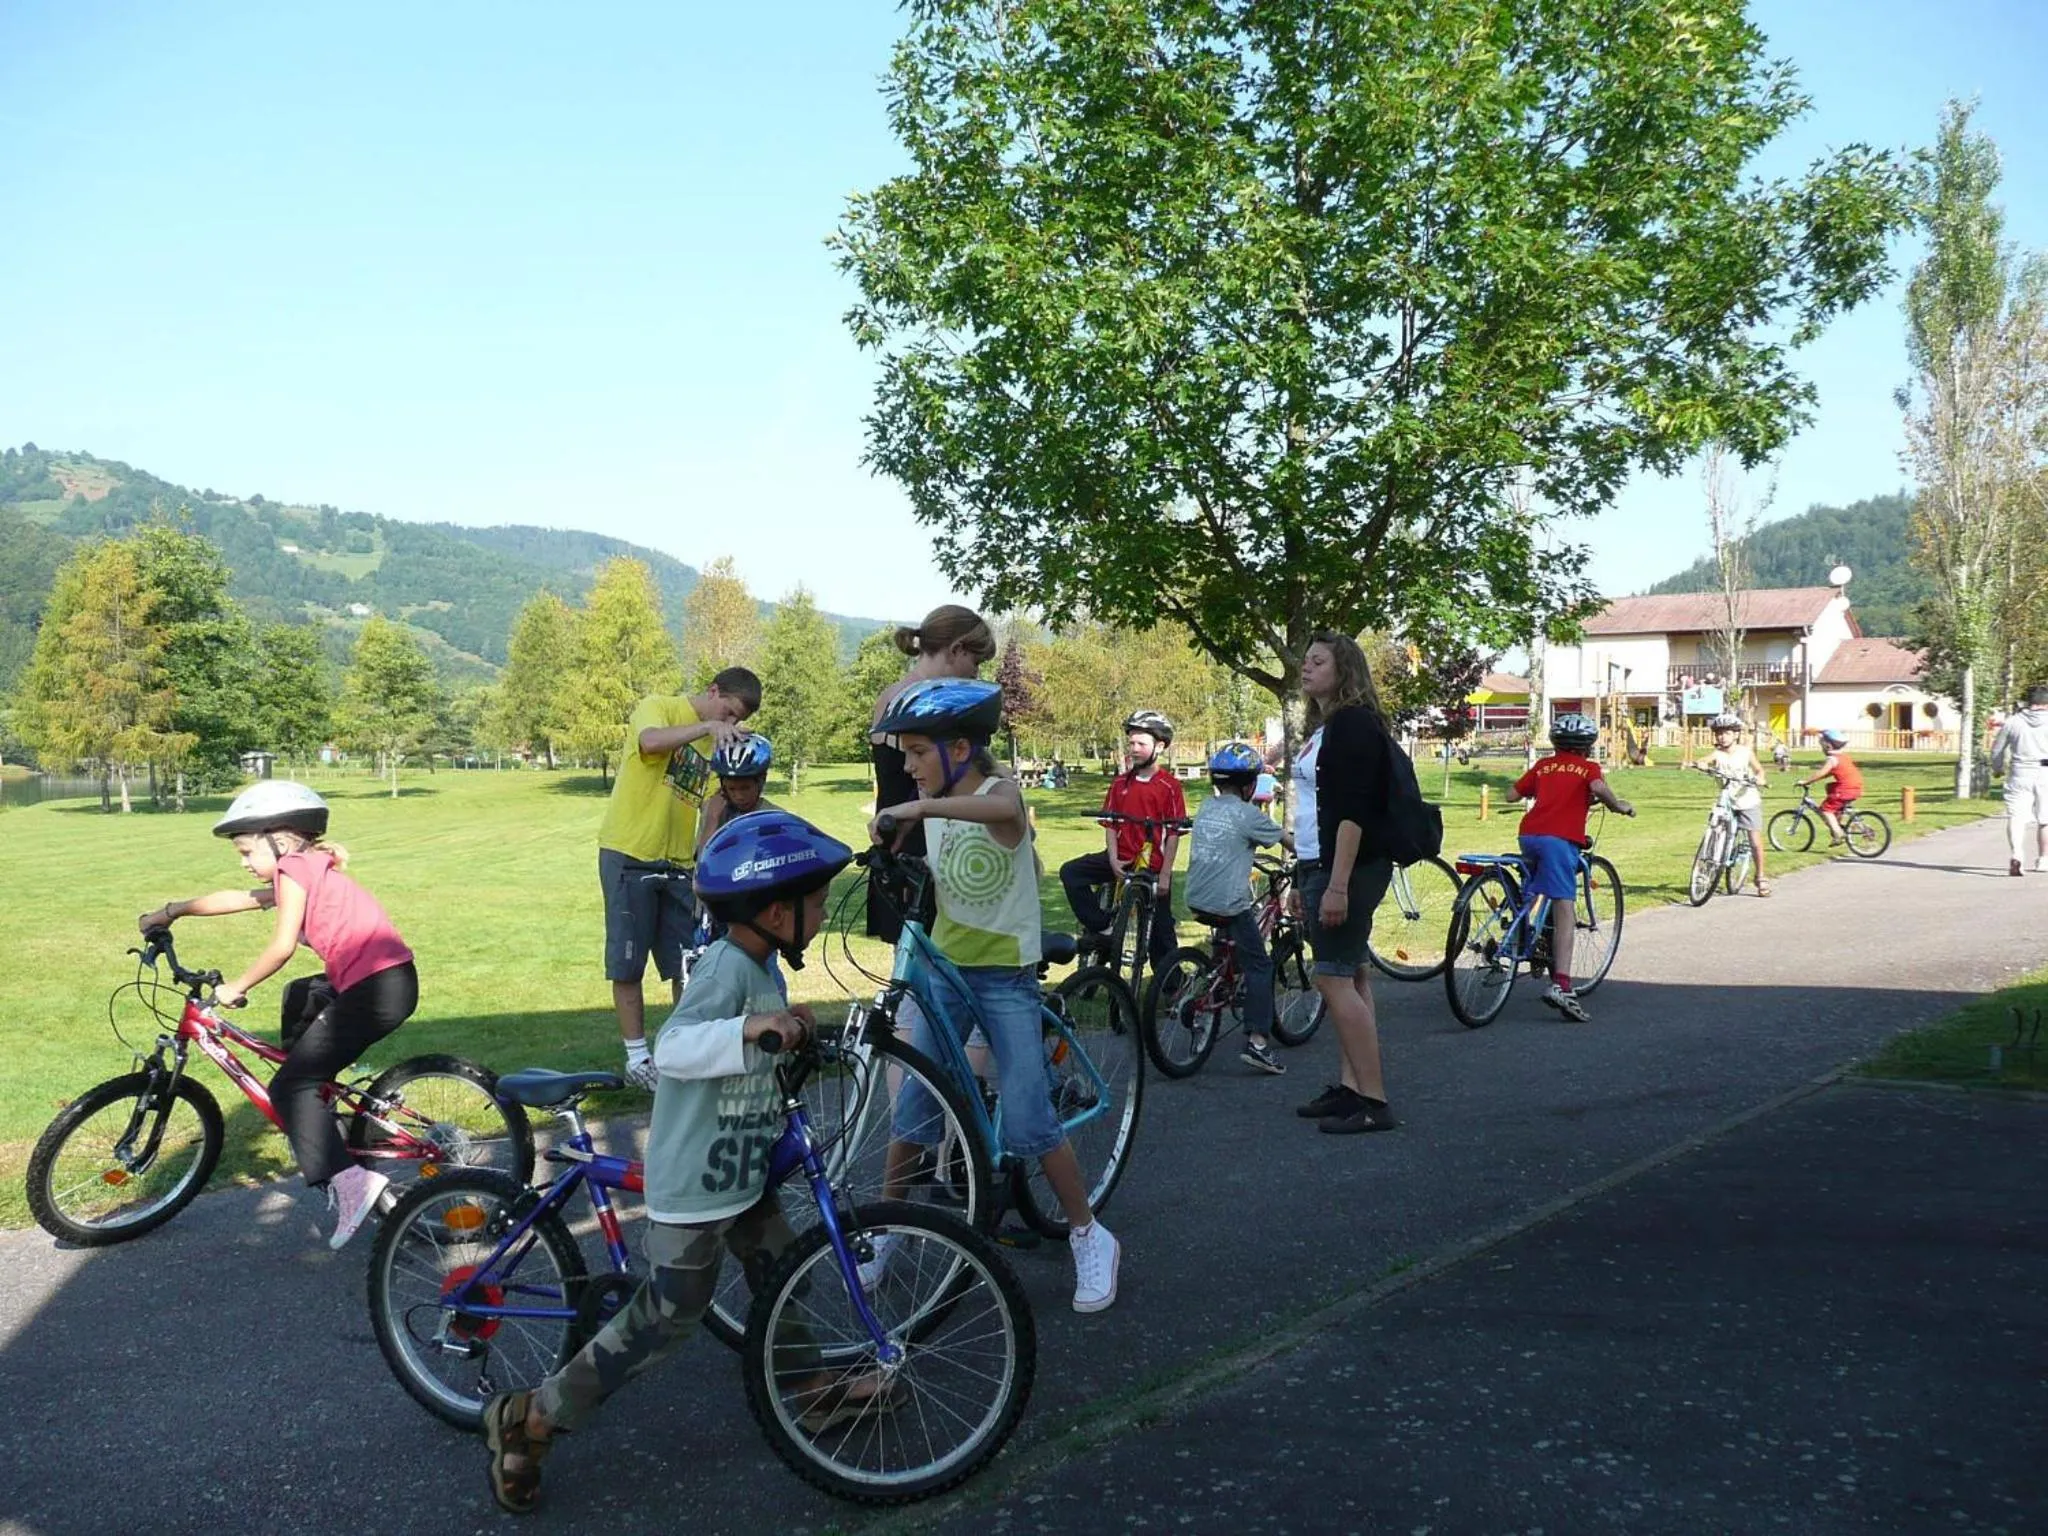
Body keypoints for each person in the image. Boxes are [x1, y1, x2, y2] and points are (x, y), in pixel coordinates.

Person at [479, 809, 875, 1515]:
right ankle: (531, 1418)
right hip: (696, 1183)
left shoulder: (758, 966)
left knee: (784, 1270)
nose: (821, 915)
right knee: (665, 1317)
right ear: (775, 912)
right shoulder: (724, 970)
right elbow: (676, 1047)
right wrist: (751, 1026)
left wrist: (789, 1028)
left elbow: (753, 1054)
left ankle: (809, 1388)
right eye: (815, 904)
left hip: (740, 1171)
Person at [868, 677, 1122, 1312]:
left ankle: (1089, 1235)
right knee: (915, 1111)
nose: (908, 767)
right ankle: (889, 1230)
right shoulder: (935, 798)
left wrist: (919, 812)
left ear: (959, 749)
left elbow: (1004, 811)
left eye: (918, 753)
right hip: (947, 974)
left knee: (1031, 1119)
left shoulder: (997, 794)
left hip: (1004, 977)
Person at [136, 781, 416, 1249]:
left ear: (280, 841)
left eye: (247, 851)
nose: (244, 861)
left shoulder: (293, 868)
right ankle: (314, 1111)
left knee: (289, 1086)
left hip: (377, 990)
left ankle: (352, 1183)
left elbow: (282, 946)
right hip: (379, 982)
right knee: (300, 996)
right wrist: (172, 911)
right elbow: (241, 898)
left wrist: (237, 986)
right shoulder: (304, 869)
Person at [597, 668, 760, 1091]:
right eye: (728, 712)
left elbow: (715, 803)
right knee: (628, 962)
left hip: (678, 864)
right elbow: (650, 741)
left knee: (687, 962)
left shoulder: (714, 740)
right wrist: (707, 726)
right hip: (630, 852)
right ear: (713, 691)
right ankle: (638, 1059)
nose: (730, 723)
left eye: (738, 720)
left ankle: (684, 1051)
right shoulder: (660, 707)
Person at [1290, 633, 1401, 1135]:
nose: (1306, 668)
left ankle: (1373, 1100)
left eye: (1318, 661)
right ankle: (1352, 1086)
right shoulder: (1327, 726)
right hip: (1320, 864)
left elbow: (1353, 812)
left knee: (1332, 978)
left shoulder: (1354, 723)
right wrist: (1302, 877)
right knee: (1351, 975)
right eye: (1305, 661)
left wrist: (1336, 885)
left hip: (1347, 868)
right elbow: (1314, 811)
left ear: (1344, 670)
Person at [867, 605, 997, 944]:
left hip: (904, 843)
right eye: (976, 662)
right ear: (957, 650)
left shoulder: (893, 695)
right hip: (924, 850)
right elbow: (935, 784)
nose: (976, 674)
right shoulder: (923, 703)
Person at [1510, 713, 1637, 1021]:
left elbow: (1511, 795)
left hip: (1528, 835)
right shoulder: (1588, 767)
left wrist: (1543, 791)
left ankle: (1522, 934)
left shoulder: (1543, 765)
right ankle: (1563, 985)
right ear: (1588, 746)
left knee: (1534, 887)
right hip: (1560, 840)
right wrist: (1617, 804)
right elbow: (1598, 787)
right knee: (1564, 907)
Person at [1186, 742, 1293, 1074]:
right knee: (1260, 965)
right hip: (1228, 904)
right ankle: (1258, 1043)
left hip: (1196, 897)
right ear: (1249, 785)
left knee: (1229, 949)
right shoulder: (1249, 815)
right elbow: (1288, 842)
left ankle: (1216, 985)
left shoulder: (1207, 807)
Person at [1060, 710, 1186, 966]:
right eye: (1131, 743)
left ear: (1159, 746)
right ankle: (1103, 927)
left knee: (1161, 933)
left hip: (1152, 868)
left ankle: (1170, 983)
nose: (1134, 749)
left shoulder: (1169, 786)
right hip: (1121, 859)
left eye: (1141, 744)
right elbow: (1110, 824)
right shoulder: (1120, 783)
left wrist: (1165, 875)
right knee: (1071, 872)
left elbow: (1173, 833)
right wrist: (1113, 859)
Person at [1698, 712, 1770, 896]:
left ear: (1736, 734)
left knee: (1754, 839)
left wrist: (1760, 778)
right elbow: (1705, 760)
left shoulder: (1745, 752)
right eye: (1719, 733)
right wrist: (1701, 764)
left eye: (1727, 733)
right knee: (1715, 830)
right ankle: (1707, 869)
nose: (1722, 737)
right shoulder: (1718, 754)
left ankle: (1760, 877)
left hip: (1747, 800)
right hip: (1726, 800)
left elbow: (1759, 770)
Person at [1991, 685, 2048, 877]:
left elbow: (1997, 749)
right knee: (2045, 819)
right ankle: (2043, 859)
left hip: (2019, 771)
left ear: (2029, 702)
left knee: (2017, 816)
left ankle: (2017, 855)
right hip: (2045, 771)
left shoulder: (2013, 721)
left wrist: (1998, 768)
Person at [693, 733, 777, 855]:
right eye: (731, 789)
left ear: (761, 781)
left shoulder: (774, 817)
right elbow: (702, 861)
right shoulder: (713, 811)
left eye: (745, 788)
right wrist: (712, 820)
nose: (739, 797)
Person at [1796, 727, 1863, 846]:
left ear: (1828, 746)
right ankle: (1849, 825)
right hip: (1856, 787)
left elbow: (1821, 772)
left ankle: (1838, 834)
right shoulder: (1844, 757)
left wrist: (1806, 781)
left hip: (1845, 789)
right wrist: (1815, 780)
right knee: (1833, 799)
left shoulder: (1832, 759)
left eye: (1822, 745)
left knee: (1826, 810)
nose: (1821, 747)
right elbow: (1829, 773)